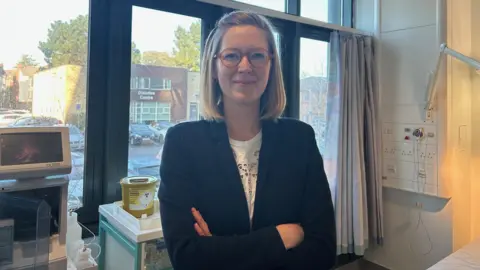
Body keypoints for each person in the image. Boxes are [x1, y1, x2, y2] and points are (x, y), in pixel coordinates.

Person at [159, 10, 336, 270]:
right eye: (231, 56)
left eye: (257, 55)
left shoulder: (300, 140)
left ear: (271, 65)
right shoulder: (182, 143)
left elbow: (322, 252)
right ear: (214, 67)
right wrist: (279, 238)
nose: (245, 66)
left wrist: (219, 251)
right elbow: (187, 258)